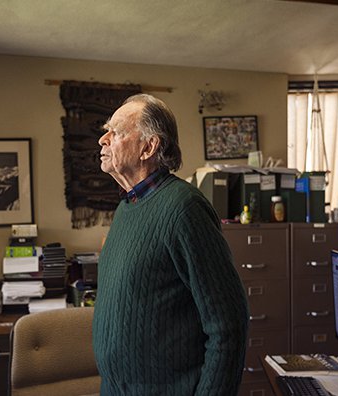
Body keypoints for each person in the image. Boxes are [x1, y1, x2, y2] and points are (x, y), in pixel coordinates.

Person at [92, 93, 249, 395]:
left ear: (149, 147)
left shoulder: (184, 208)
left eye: (117, 132)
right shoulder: (128, 206)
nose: (104, 139)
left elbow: (229, 324)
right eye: (105, 130)